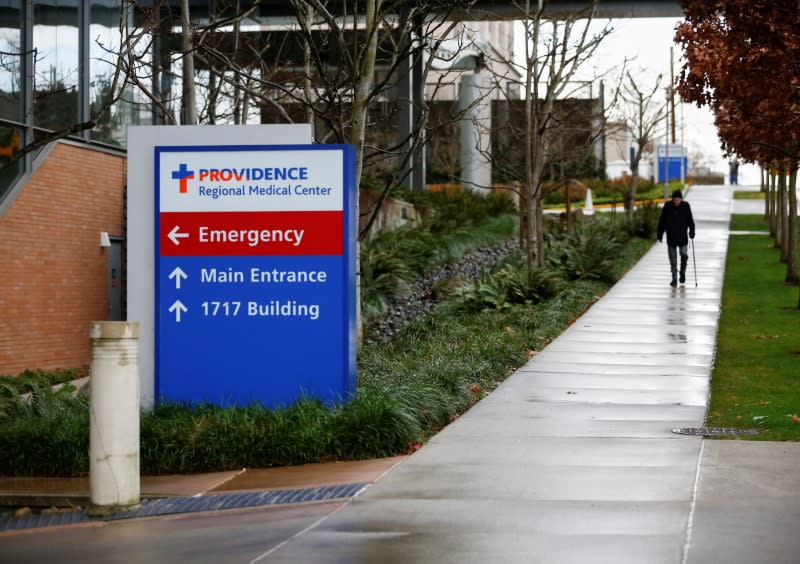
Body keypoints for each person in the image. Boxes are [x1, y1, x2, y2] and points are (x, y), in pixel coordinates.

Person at [657, 189, 695, 287]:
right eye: (675, 200)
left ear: (681, 199)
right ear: (672, 199)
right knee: (673, 261)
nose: (676, 202)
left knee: (684, 254)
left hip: (683, 237)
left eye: (678, 200)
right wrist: (660, 233)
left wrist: (692, 231)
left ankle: (682, 272)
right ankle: (674, 279)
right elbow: (662, 221)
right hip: (671, 238)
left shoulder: (686, 206)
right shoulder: (667, 207)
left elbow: (690, 220)